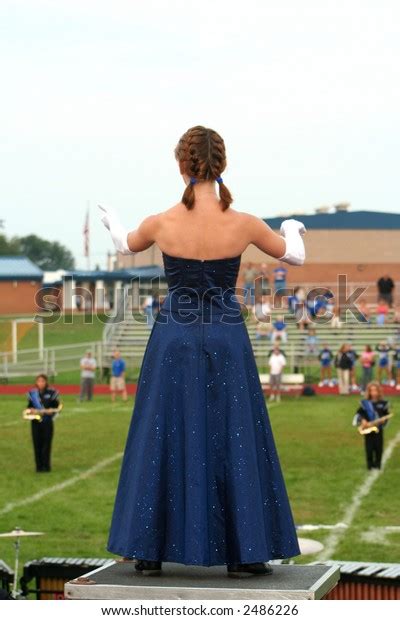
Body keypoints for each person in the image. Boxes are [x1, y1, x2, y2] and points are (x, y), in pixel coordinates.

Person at [99, 125, 305, 577]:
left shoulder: (161, 221)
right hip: (226, 336)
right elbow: (295, 257)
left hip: (174, 334)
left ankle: (147, 550)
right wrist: (291, 226)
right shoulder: (245, 223)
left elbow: (123, 243)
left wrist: (113, 219)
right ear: (222, 165)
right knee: (235, 430)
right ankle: (247, 553)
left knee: (160, 430)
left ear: (181, 165)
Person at [26, 374, 61, 472]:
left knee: (46, 444)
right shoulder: (32, 394)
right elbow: (28, 407)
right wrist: (31, 410)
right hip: (35, 422)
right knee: (37, 444)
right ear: (36, 382)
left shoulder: (52, 393)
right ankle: (38, 467)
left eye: (43, 381)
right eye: (39, 381)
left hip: (47, 422)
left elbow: (58, 408)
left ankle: (46, 466)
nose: (41, 383)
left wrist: (51, 411)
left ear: (46, 382)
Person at [354, 382, 390, 470]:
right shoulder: (365, 403)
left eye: (375, 390)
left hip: (378, 430)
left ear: (379, 391)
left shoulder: (383, 403)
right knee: (369, 448)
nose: (373, 393)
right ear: (368, 392)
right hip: (368, 429)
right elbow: (358, 414)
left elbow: (386, 415)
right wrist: (363, 420)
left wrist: (383, 421)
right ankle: (370, 465)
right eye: (371, 391)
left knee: (378, 448)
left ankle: (378, 465)